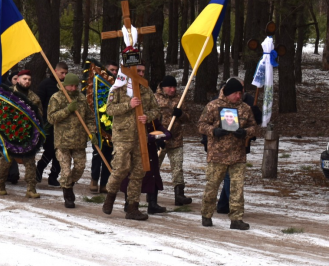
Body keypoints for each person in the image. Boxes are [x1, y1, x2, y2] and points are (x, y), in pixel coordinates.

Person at [101, 63, 161, 221]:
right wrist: (129, 104)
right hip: (122, 135)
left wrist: (147, 116)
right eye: (138, 71)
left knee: (138, 172)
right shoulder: (118, 88)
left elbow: (156, 110)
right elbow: (109, 109)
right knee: (121, 168)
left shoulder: (146, 90)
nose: (141, 73)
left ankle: (133, 207)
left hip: (140, 136)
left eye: (143, 71)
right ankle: (110, 197)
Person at [199, 78, 257, 230]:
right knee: (212, 186)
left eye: (240, 93)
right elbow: (201, 125)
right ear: (228, 92)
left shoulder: (245, 108)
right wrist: (213, 131)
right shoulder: (213, 106)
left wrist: (245, 132)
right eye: (235, 93)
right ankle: (206, 214)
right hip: (217, 155)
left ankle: (236, 218)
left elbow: (253, 127)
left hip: (238, 155)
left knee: (237, 188)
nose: (238, 96)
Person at [47, 73, 96, 208]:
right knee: (66, 171)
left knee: (80, 167)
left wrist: (92, 133)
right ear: (64, 85)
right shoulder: (56, 98)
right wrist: (67, 110)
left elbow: (89, 118)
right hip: (63, 142)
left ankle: (68, 183)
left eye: (76, 85)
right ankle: (68, 192)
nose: (73, 88)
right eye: (71, 85)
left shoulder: (81, 98)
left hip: (79, 141)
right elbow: (51, 118)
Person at [0, 70, 44, 198]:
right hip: (10, 134)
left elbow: (40, 116)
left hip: (27, 135)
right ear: (18, 80)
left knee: (30, 161)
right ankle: (0, 183)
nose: (27, 81)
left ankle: (31, 188)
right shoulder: (8, 94)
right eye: (24, 79)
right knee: (6, 161)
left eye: (29, 79)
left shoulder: (34, 98)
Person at [155, 75, 193, 206]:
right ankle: (151, 195)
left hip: (175, 139)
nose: (172, 89)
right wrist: (154, 137)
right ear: (163, 87)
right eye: (170, 87)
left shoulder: (179, 99)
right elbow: (149, 119)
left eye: (174, 87)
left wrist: (181, 114)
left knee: (177, 168)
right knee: (154, 167)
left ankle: (179, 195)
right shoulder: (155, 99)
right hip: (159, 139)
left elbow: (188, 118)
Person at [36, 61, 68, 186]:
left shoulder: (66, 85)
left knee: (60, 151)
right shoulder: (46, 84)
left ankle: (54, 176)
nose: (64, 75)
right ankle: (39, 168)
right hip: (49, 123)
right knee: (50, 149)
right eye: (62, 73)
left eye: (66, 73)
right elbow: (39, 102)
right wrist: (48, 116)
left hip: (63, 124)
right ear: (55, 71)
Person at [90, 61, 118, 193]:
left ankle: (104, 183)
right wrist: (92, 130)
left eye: (116, 70)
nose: (114, 72)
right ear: (106, 71)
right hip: (97, 126)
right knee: (97, 155)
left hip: (111, 127)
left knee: (109, 156)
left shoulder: (117, 87)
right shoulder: (98, 85)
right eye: (112, 69)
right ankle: (94, 180)